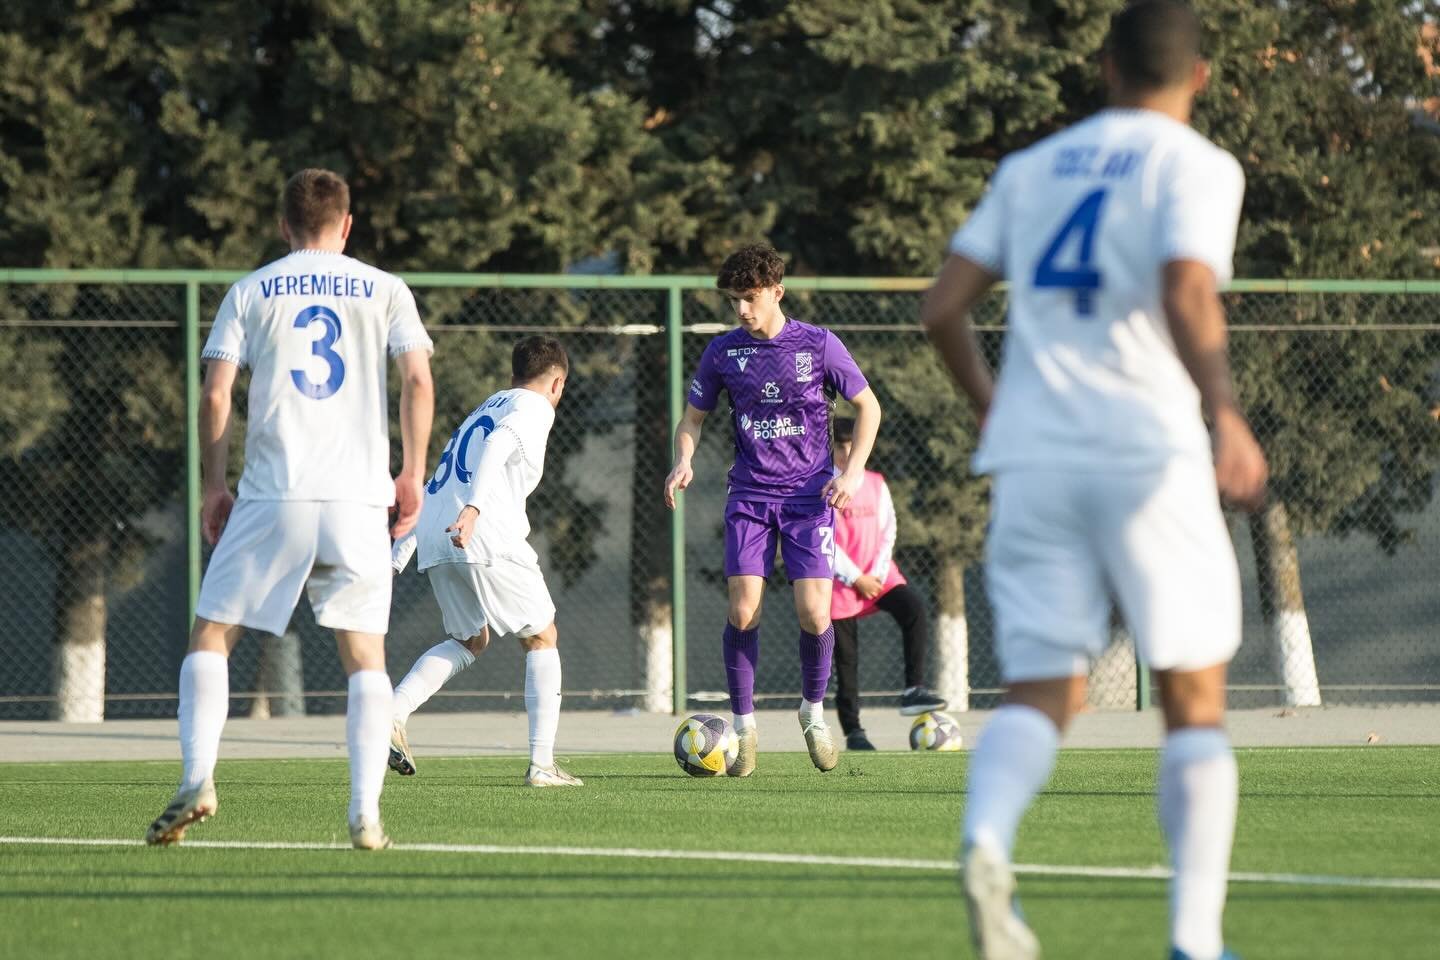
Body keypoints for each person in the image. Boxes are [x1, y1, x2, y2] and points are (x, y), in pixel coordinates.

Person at [920, 3, 1267, 959]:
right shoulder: (1196, 165)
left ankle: (988, 839)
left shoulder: (1031, 168)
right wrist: (1226, 413)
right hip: (1145, 449)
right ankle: (1195, 940)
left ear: (1107, 67)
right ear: (1199, 77)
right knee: (1193, 695)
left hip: (1033, 456)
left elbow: (942, 307)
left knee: (1042, 688)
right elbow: (1187, 289)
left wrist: (992, 404)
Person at [146, 168, 435, 851]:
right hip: (358, 497)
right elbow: (418, 380)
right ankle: (364, 813)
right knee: (365, 656)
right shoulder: (385, 288)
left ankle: (198, 778)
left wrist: (215, 486)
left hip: (274, 492)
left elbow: (216, 395)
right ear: (347, 225)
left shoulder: (251, 290)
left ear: (283, 226)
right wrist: (412, 473)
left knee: (212, 637)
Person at [664, 242, 882, 776]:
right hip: (750, 496)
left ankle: (812, 713)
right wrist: (683, 460)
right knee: (743, 612)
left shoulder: (819, 344)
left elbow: (869, 406)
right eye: (734, 300)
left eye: (751, 298)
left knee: (815, 614)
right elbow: (691, 420)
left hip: (810, 498)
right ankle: (744, 729)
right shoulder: (723, 352)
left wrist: (852, 472)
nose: (741, 309)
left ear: (777, 292)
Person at [386, 336, 581, 788]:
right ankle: (542, 765)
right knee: (542, 636)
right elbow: (499, 444)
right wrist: (474, 510)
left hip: (437, 533)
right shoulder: (534, 407)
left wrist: (398, 557)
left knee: (470, 638)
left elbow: (438, 481)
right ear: (557, 383)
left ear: (513, 375)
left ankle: (391, 714)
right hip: (482, 531)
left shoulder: (487, 406)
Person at [828, 417, 947, 751]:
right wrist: (855, 578)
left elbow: (888, 528)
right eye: (840, 447)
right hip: (841, 586)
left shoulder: (876, 483)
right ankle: (854, 731)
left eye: (852, 446)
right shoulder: (822, 486)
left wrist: (877, 575)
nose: (846, 453)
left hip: (879, 577)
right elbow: (823, 541)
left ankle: (913, 689)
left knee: (913, 609)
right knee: (846, 661)